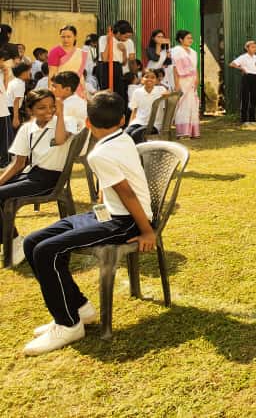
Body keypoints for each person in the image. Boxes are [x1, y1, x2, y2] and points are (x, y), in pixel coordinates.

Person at [20, 91, 155, 355]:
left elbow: (127, 193)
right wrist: (100, 212)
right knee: (32, 241)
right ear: (124, 119)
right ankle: (80, 308)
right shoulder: (125, 135)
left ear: (88, 123)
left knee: (46, 251)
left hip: (126, 221)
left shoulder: (100, 154)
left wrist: (147, 231)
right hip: (109, 213)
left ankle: (68, 324)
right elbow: (115, 190)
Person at [0, 89, 83, 267]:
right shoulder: (26, 129)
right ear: (30, 110)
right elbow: (18, 163)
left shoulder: (66, 122)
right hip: (32, 174)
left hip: (51, 180)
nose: (48, 111)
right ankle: (13, 240)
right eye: (41, 108)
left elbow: (60, 140)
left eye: (52, 107)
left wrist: (60, 115)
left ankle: (14, 243)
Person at [171, 30, 200, 139]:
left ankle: (193, 131)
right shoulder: (176, 51)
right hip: (181, 81)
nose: (190, 40)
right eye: (188, 38)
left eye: (191, 38)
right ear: (180, 39)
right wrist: (177, 84)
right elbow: (175, 68)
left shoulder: (193, 52)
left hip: (191, 81)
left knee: (192, 105)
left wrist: (197, 78)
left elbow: (195, 67)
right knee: (183, 106)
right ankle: (183, 132)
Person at [98, 20, 137, 101]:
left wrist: (124, 51)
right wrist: (109, 42)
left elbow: (127, 62)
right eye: (125, 37)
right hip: (106, 69)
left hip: (120, 71)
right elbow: (104, 59)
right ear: (118, 33)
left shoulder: (129, 42)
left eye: (129, 37)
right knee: (107, 96)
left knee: (121, 97)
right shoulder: (104, 39)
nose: (127, 39)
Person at [126, 69, 169, 144]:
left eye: (152, 77)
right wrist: (130, 124)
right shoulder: (137, 92)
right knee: (126, 134)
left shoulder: (161, 90)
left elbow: (168, 105)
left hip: (154, 124)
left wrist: (167, 96)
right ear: (142, 79)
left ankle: (139, 152)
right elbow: (134, 110)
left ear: (156, 80)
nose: (149, 79)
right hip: (139, 122)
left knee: (135, 134)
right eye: (146, 77)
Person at [230, 40, 256, 127]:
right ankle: (244, 120)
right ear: (247, 48)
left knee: (253, 98)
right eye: (252, 47)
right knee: (245, 98)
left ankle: (252, 119)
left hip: (255, 77)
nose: (254, 49)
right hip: (246, 77)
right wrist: (241, 69)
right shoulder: (243, 57)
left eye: (255, 47)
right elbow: (232, 64)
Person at [47, 25, 88, 99]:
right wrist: (52, 92)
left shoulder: (81, 53)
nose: (65, 39)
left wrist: (84, 90)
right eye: (63, 37)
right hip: (61, 88)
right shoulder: (55, 52)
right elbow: (52, 74)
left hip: (77, 88)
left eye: (69, 37)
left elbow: (80, 74)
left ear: (75, 37)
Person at [8, 62, 32, 130]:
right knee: (15, 131)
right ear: (23, 73)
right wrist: (16, 118)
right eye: (28, 71)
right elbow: (16, 101)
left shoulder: (16, 81)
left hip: (10, 109)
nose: (30, 73)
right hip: (12, 110)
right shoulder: (19, 84)